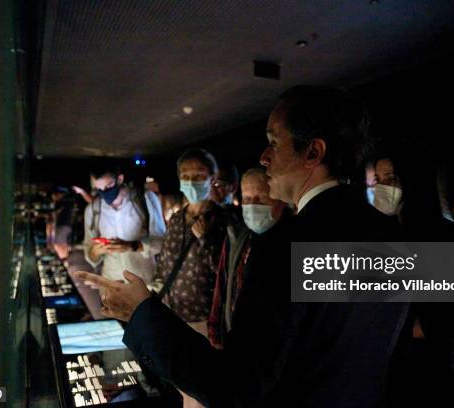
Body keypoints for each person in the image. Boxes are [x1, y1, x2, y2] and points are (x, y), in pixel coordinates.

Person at [77, 85, 408, 407]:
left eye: (274, 143)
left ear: (313, 152)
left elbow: (235, 387)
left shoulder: (283, 247)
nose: (264, 158)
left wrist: (141, 314)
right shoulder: (394, 235)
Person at [367, 147, 454, 408]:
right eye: (379, 180)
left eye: (391, 178)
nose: (383, 187)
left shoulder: (444, 237)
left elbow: (445, 321)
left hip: (428, 374)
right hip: (384, 374)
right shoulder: (379, 238)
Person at [150, 148, 236, 408]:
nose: (191, 180)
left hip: (204, 322)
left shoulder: (224, 220)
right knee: (181, 387)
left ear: (212, 178)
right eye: (185, 175)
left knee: (201, 393)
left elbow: (228, 274)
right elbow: (165, 264)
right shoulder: (177, 219)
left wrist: (207, 240)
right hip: (173, 316)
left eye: (198, 174)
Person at [208, 167, 289, 347]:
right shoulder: (236, 238)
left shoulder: (295, 240)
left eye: (261, 198)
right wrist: (215, 332)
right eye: (247, 198)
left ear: (281, 201)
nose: (253, 205)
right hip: (236, 341)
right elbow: (222, 284)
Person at [83, 161, 165, 284]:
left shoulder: (146, 199)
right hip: (111, 282)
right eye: (98, 189)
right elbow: (90, 255)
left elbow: (161, 242)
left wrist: (132, 246)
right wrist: (95, 251)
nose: (104, 192)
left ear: (120, 179)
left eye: (108, 186)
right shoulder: (93, 209)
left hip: (143, 282)